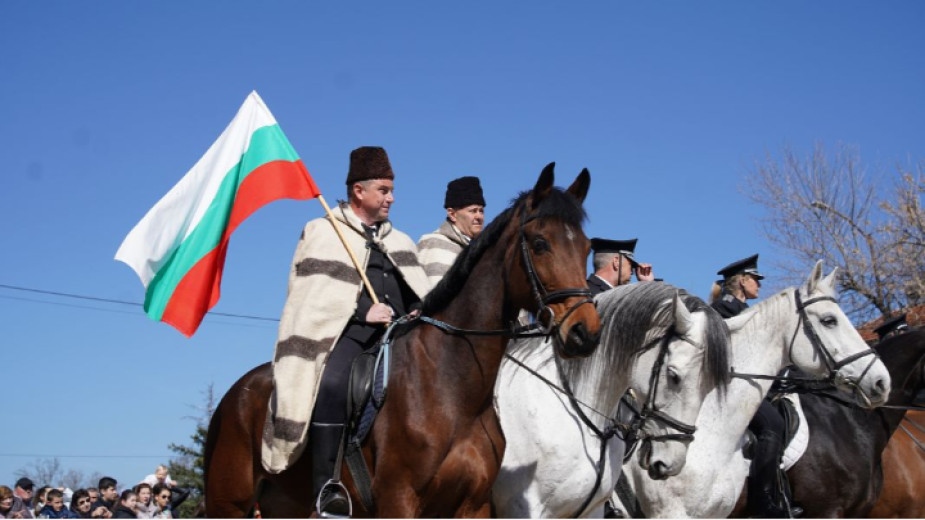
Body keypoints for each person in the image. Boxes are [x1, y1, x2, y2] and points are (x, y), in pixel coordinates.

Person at [263, 146, 431, 517]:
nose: (391, 197)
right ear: (359, 191)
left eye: (391, 190)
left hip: (398, 334)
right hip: (349, 334)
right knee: (333, 384)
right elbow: (314, 293)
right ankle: (328, 489)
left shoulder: (399, 239)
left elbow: (412, 288)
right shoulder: (325, 231)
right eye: (384, 190)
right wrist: (361, 310)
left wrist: (419, 305)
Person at [710, 254, 802, 518]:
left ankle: (780, 492)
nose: (760, 285)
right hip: (730, 389)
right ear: (741, 281)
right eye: (756, 279)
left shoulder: (748, 312)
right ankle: (761, 501)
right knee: (772, 424)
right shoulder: (722, 311)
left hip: (754, 387)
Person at [417, 176, 486, 286]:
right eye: (473, 211)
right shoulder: (432, 242)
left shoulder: (482, 252)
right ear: (452, 214)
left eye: (481, 211)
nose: (479, 216)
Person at [586, 238, 655, 296]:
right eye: (631, 266)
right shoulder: (589, 294)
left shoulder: (586, 290)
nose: (632, 272)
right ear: (616, 262)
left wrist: (648, 285)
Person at [709, 253, 763, 318]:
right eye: (756, 279)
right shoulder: (725, 306)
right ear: (743, 281)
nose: (759, 285)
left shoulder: (736, 306)